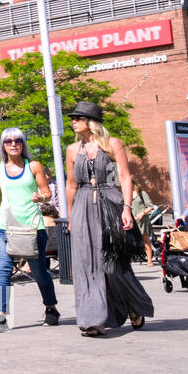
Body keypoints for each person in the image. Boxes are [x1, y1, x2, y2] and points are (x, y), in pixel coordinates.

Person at [64, 101, 153, 337]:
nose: (73, 121)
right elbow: (71, 185)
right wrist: (71, 216)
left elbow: (125, 177)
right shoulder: (72, 150)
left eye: (78, 118)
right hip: (83, 206)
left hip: (110, 203)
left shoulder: (112, 144)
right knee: (86, 265)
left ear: (91, 122)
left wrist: (126, 208)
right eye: (73, 118)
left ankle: (133, 305)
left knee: (113, 264)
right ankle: (93, 320)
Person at [0, 127, 59, 332]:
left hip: (32, 227)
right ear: (3, 146)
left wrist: (41, 198)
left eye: (17, 140)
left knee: (39, 272)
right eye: (8, 141)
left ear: (23, 143)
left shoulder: (33, 166)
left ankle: (50, 308)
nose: (13, 144)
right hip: (4, 227)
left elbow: (47, 193)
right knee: (3, 270)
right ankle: (0, 316)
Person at [130, 183, 157, 265]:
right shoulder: (127, 194)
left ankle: (149, 260)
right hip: (132, 220)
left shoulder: (142, 193)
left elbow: (150, 206)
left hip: (142, 220)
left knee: (145, 239)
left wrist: (142, 213)